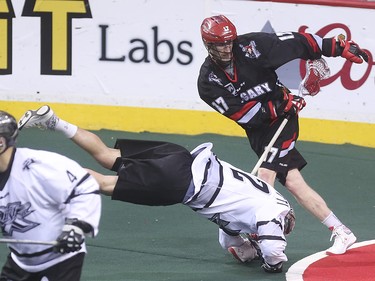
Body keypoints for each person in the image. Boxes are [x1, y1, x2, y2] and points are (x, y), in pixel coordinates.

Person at [17, 105, 297, 273]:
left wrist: (247, 241)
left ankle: (54, 121)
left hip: (179, 156)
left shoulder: (263, 195)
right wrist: (270, 262)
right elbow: (272, 252)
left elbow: (233, 242)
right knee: (102, 183)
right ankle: (26, 169)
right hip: (176, 184)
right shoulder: (271, 214)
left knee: (106, 154)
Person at [197, 15, 369, 255]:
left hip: (284, 119)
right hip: (259, 128)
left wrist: (336, 47)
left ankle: (261, 233)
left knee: (265, 175)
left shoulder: (251, 47)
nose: (227, 48)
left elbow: (297, 42)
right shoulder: (208, 82)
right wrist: (282, 105)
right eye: (220, 44)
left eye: (229, 41)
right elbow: (245, 115)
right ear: (208, 45)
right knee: (293, 181)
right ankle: (341, 231)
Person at [0, 110, 101, 281]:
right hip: (20, 261)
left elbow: (84, 186)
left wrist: (76, 226)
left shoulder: (38, 165)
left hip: (60, 260)